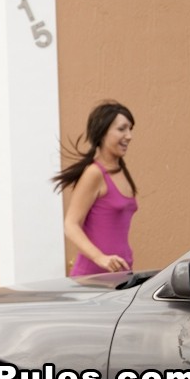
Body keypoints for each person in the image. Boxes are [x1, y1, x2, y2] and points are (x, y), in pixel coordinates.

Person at [52, 100, 138, 276]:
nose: (129, 136)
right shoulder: (94, 174)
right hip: (92, 278)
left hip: (120, 275)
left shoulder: (121, 172)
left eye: (130, 129)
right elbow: (71, 224)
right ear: (103, 132)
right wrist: (100, 258)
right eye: (122, 129)